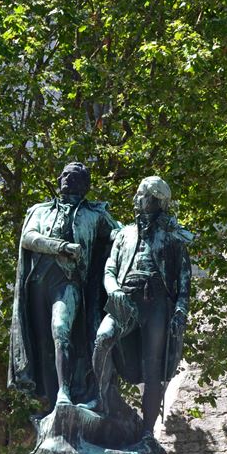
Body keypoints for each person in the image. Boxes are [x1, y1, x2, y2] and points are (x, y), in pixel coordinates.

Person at [8, 162, 118, 409]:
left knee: (61, 329)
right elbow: (28, 238)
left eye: (75, 176)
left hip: (68, 282)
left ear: (85, 185)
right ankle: (49, 400)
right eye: (65, 174)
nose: (68, 179)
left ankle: (64, 395)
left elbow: (120, 236)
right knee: (42, 344)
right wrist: (62, 247)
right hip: (37, 285)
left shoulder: (96, 215)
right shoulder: (39, 210)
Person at [92, 175, 192, 437]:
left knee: (153, 369)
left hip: (157, 303)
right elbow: (110, 268)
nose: (136, 199)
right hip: (125, 298)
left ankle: (148, 434)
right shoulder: (124, 233)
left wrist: (181, 310)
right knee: (103, 338)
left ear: (156, 200)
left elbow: (184, 278)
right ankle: (99, 401)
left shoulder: (172, 236)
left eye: (141, 194)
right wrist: (113, 290)